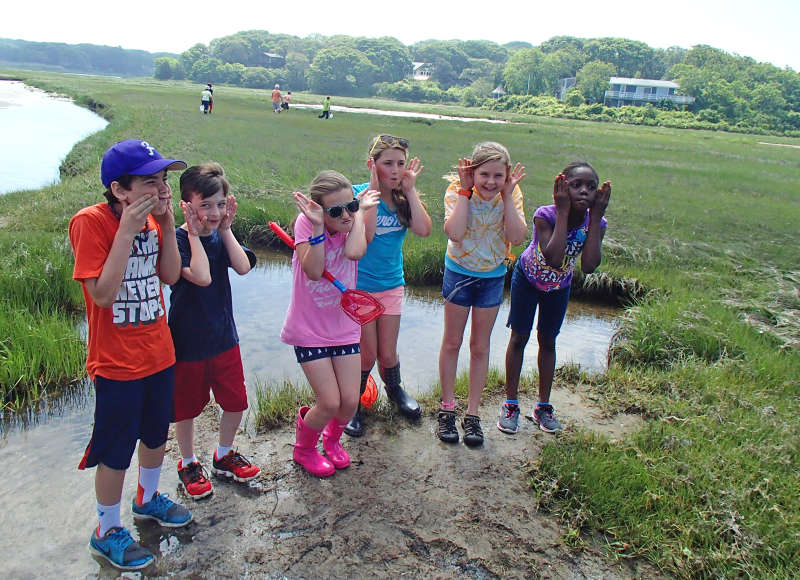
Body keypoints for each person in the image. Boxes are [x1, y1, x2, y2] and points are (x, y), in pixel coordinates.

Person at [69, 139, 192, 571]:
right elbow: (102, 295)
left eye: (164, 179)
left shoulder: (156, 221)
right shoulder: (91, 223)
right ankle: (105, 530)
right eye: (149, 181)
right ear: (120, 189)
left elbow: (171, 275)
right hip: (116, 361)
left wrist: (168, 219)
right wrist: (125, 232)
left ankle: (148, 498)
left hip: (159, 352)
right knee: (116, 448)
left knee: (157, 434)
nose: (161, 188)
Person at [168, 162, 261, 500]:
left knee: (236, 402)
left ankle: (223, 454)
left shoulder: (222, 235)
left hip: (224, 338)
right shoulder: (176, 240)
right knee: (186, 408)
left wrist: (224, 230)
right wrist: (194, 235)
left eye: (220, 204)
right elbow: (202, 276)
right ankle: (188, 462)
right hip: (187, 342)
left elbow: (243, 266)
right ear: (186, 205)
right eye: (205, 205)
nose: (213, 212)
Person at [279, 171, 379, 477]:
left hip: (344, 327)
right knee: (329, 401)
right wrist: (320, 226)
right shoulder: (306, 223)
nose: (345, 215)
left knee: (349, 400)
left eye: (349, 205)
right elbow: (313, 269)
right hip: (309, 330)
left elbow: (354, 251)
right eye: (336, 211)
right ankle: (304, 449)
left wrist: (358, 213)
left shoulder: (353, 221)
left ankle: (332, 441)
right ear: (320, 211)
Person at [500, 163, 610, 434]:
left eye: (590, 187)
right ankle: (511, 404)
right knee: (519, 337)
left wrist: (595, 219)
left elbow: (589, 265)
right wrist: (562, 212)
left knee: (548, 341)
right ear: (562, 188)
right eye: (576, 185)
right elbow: (554, 256)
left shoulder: (597, 222)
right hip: (528, 279)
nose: (584, 191)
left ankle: (543, 406)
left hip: (559, 286)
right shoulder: (545, 215)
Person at [437, 142, 527, 447]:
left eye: (498, 176)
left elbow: (516, 237)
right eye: (484, 174)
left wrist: (506, 196)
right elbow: (455, 232)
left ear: (506, 177)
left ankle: (472, 415)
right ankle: (447, 408)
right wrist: (465, 191)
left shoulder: (510, 195)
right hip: (460, 273)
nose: (490, 182)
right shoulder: (455, 190)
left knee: (480, 346)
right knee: (452, 341)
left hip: (492, 276)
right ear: (472, 172)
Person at [344, 134, 432, 437]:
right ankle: (352, 404)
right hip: (360, 287)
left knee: (388, 352)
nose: (395, 170)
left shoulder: (403, 199)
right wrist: (370, 194)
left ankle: (394, 391)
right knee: (366, 353)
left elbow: (423, 230)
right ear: (372, 164)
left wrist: (411, 190)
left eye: (400, 164)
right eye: (387, 164)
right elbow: (365, 238)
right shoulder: (357, 195)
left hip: (392, 284)